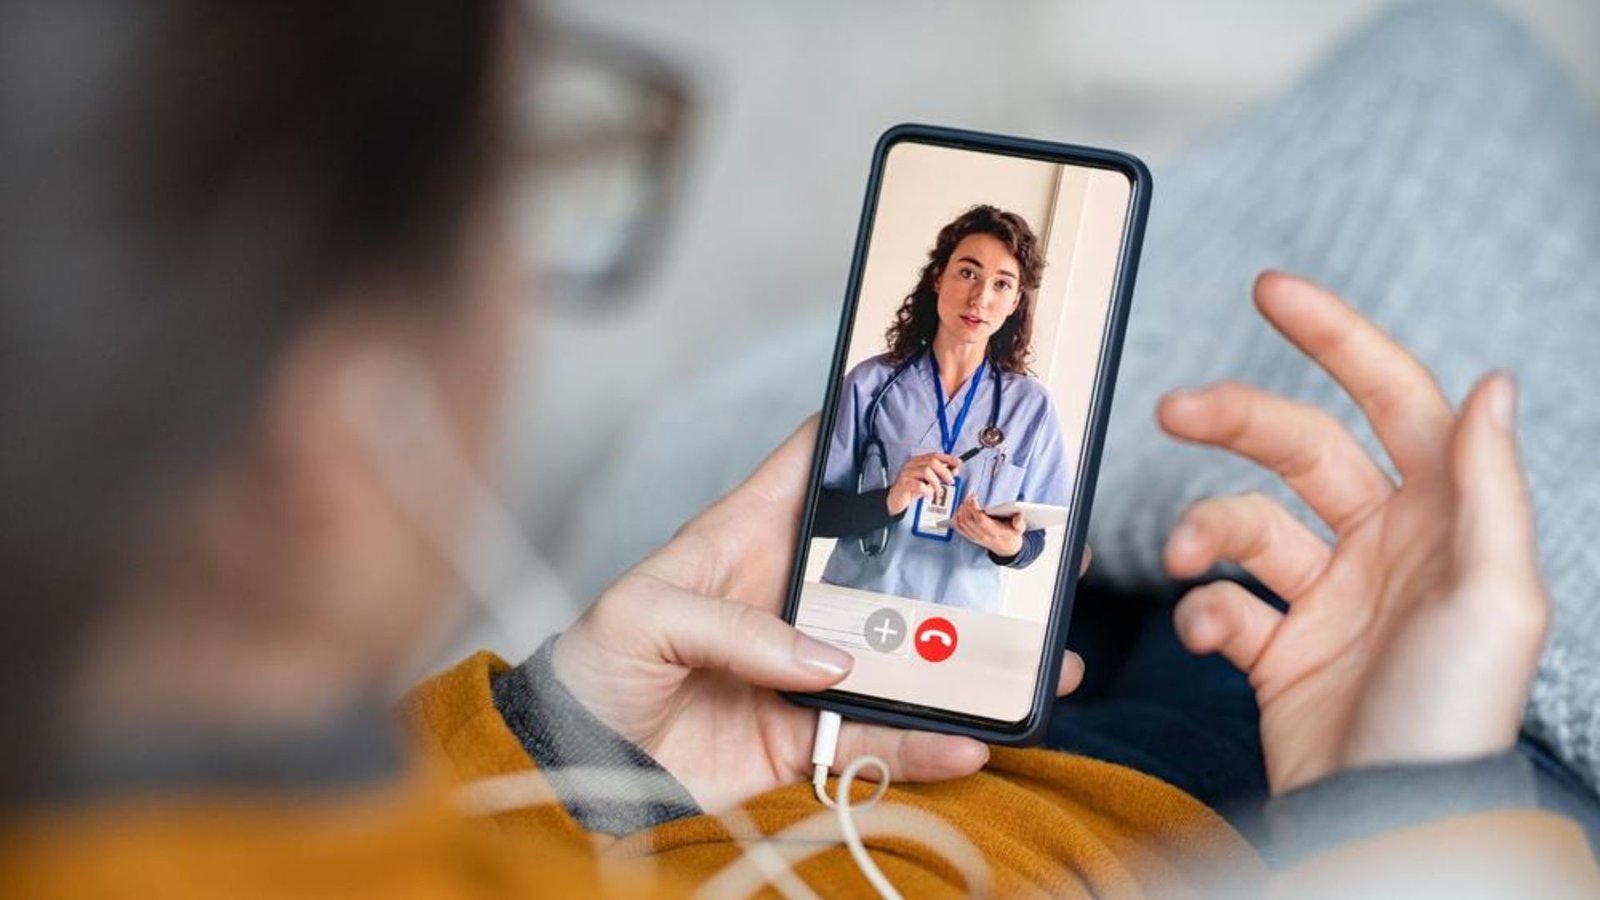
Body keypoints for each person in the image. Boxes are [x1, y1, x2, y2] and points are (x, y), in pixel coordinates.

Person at [2, 1, 1596, 897]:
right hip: (1252, 812)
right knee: (1454, 100)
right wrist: (1418, 812)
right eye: (528, 186)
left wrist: (553, 746)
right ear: (331, 429)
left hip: (870, 713)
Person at [812, 205, 1072, 613]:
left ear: (1015, 301)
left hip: (959, 621)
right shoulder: (870, 384)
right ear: (938, 277)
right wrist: (890, 499)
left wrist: (1007, 544)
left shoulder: (1031, 408)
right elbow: (815, 513)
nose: (980, 298)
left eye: (1002, 284)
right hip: (856, 604)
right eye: (967, 272)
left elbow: (1033, 542)